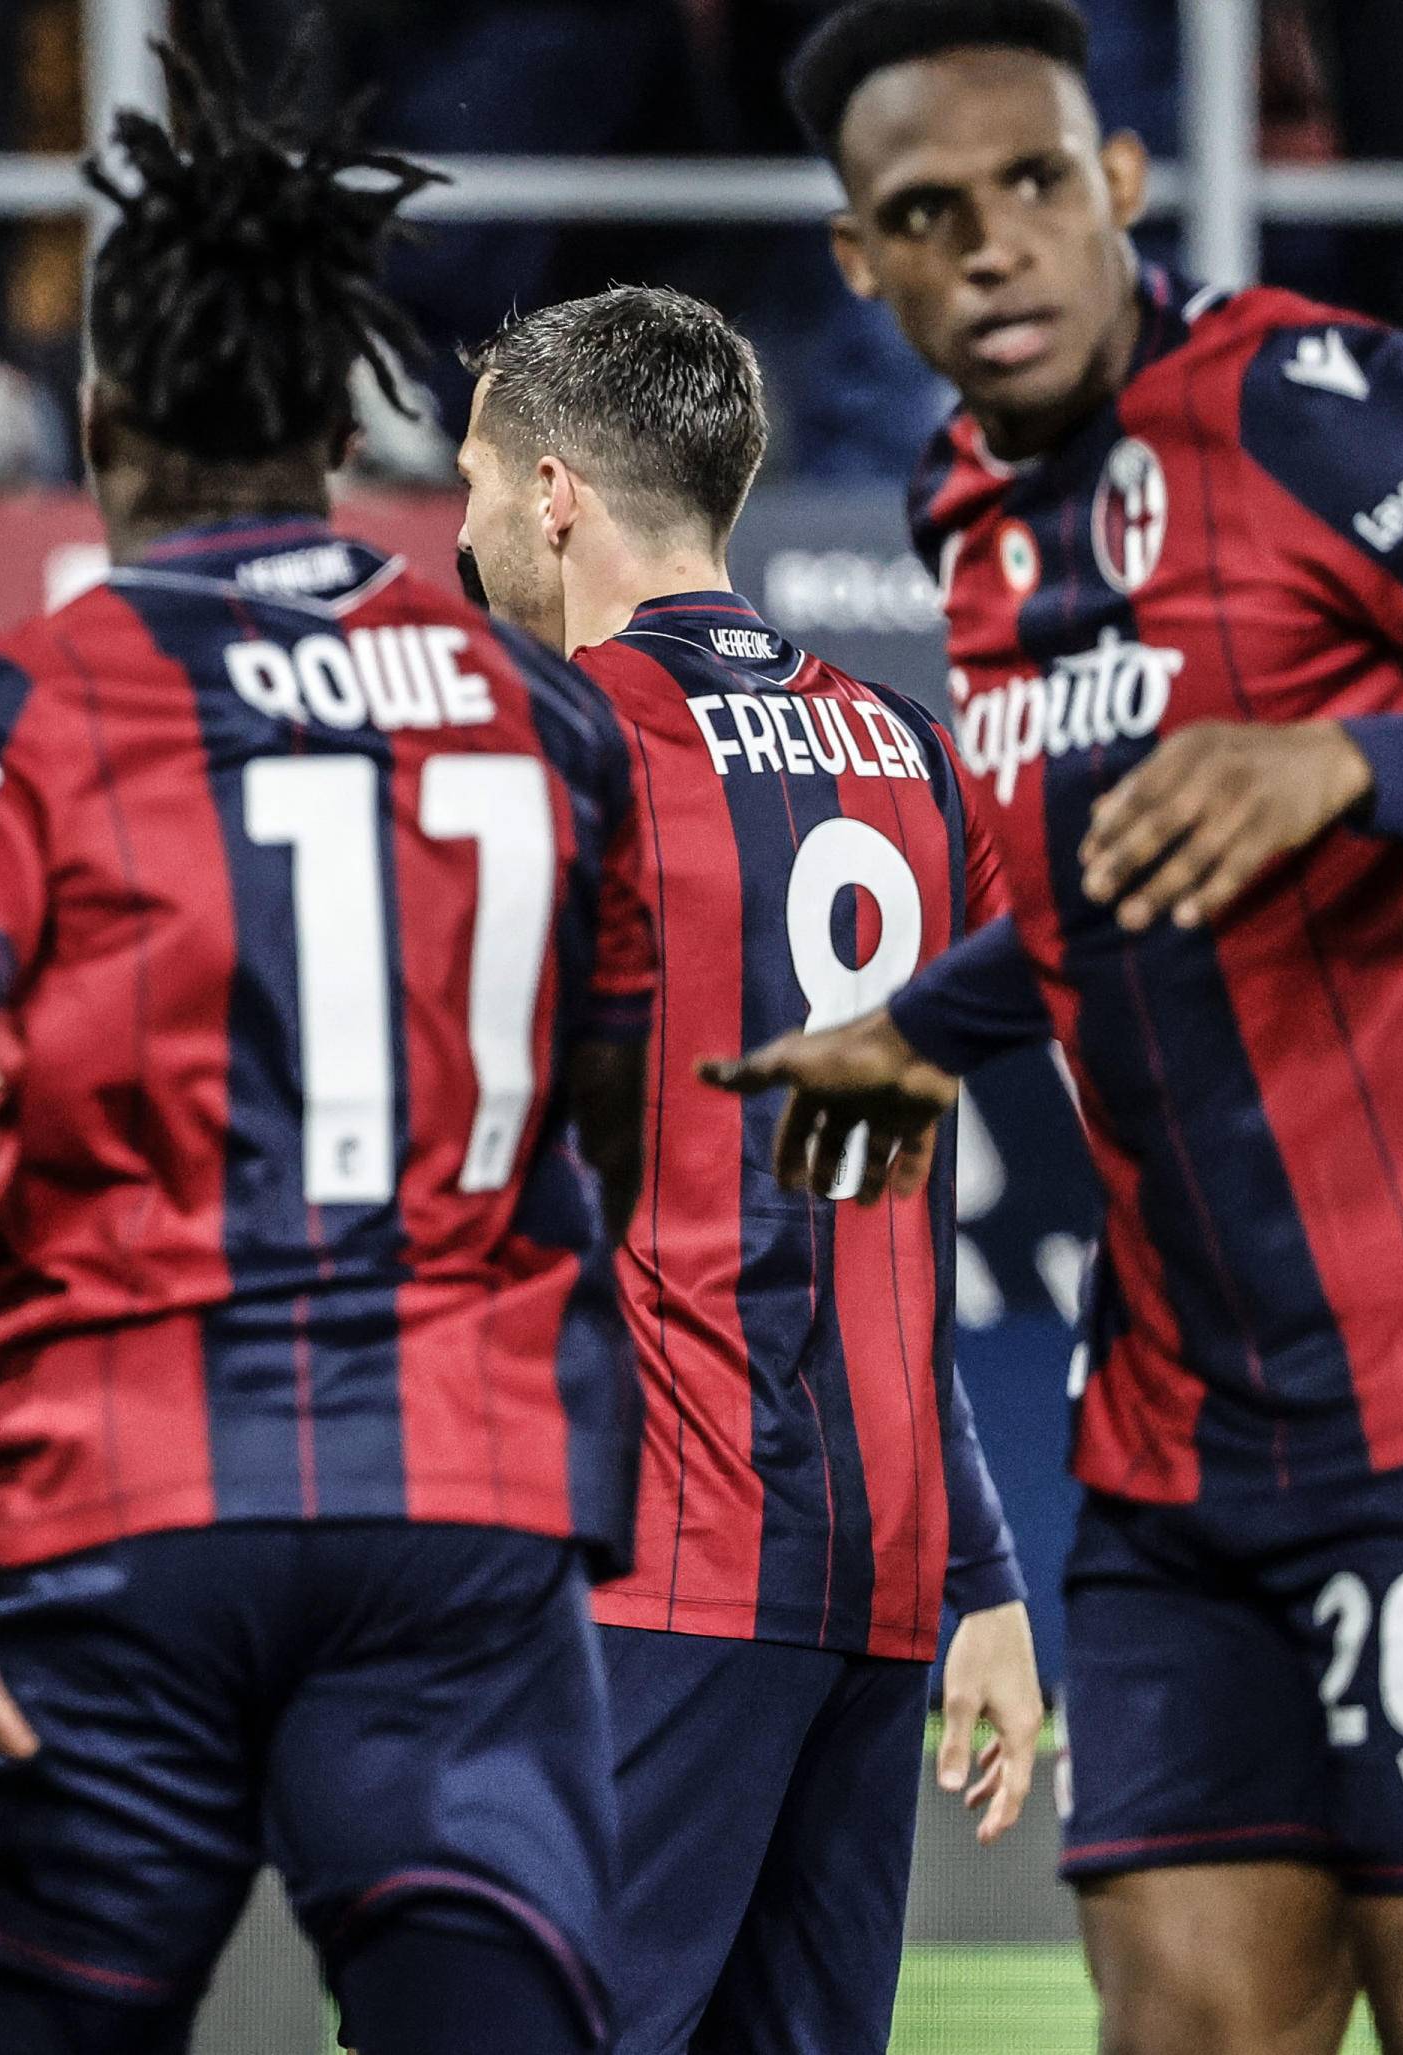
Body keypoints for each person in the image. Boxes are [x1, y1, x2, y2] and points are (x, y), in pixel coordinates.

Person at [712, 3, 1403, 2047]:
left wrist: (1358, 768)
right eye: (925, 215)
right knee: (1187, 2023)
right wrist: (930, 1023)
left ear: (1119, 179)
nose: (992, 247)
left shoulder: (1318, 411)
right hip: (1179, 1443)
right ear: (859, 261)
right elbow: (1112, 876)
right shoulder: (962, 511)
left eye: (1034, 184)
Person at [0, 27, 645, 2055]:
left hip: (116, 1500)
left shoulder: (14, 703)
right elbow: (601, 1102)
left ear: (102, 416)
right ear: (340, 424)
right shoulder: (542, 713)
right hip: (456, 1507)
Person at [454, 284, 1043, 2055]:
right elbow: (879, 1226)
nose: (461, 530)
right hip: (880, 1575)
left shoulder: (551, 753)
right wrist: (984, 1576)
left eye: (473, 480)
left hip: (655, 1564)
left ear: (554, 492)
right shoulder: (913, 759)